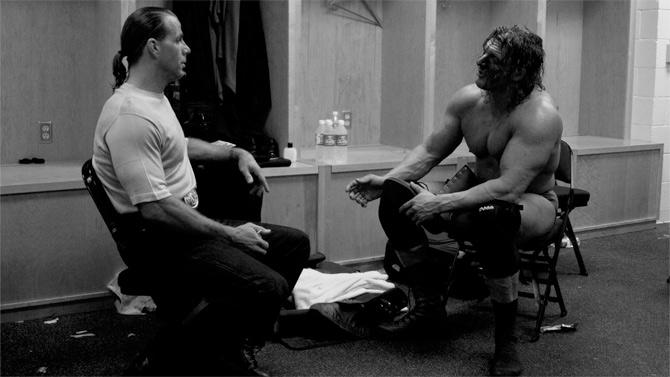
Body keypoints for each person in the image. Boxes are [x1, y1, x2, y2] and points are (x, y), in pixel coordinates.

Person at [92, 7, 309, 376]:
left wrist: (234, 151)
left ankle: (225, 344)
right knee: (268, 287)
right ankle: (189, 352)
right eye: (179, 39)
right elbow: (156, 209)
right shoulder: (130, 116)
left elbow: (178, 144)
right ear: (153, 48)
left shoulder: (153, 98)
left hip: (183, 226)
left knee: (293, 245)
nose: (189, 48)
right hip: (161, 241)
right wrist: (230, 235)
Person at [346, 25, 562, 376]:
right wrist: (387, 181)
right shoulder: (469, 101)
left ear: (519, 71)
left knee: (496, 217)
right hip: (477, 189)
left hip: (530, 202)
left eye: (492, 59)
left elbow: (508, 188)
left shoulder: (540, 116)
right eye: (483, 52)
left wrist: (442, 203)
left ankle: (505, 341)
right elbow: (430, 151)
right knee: (398, 194)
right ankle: (429, 304)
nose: (479, 62)